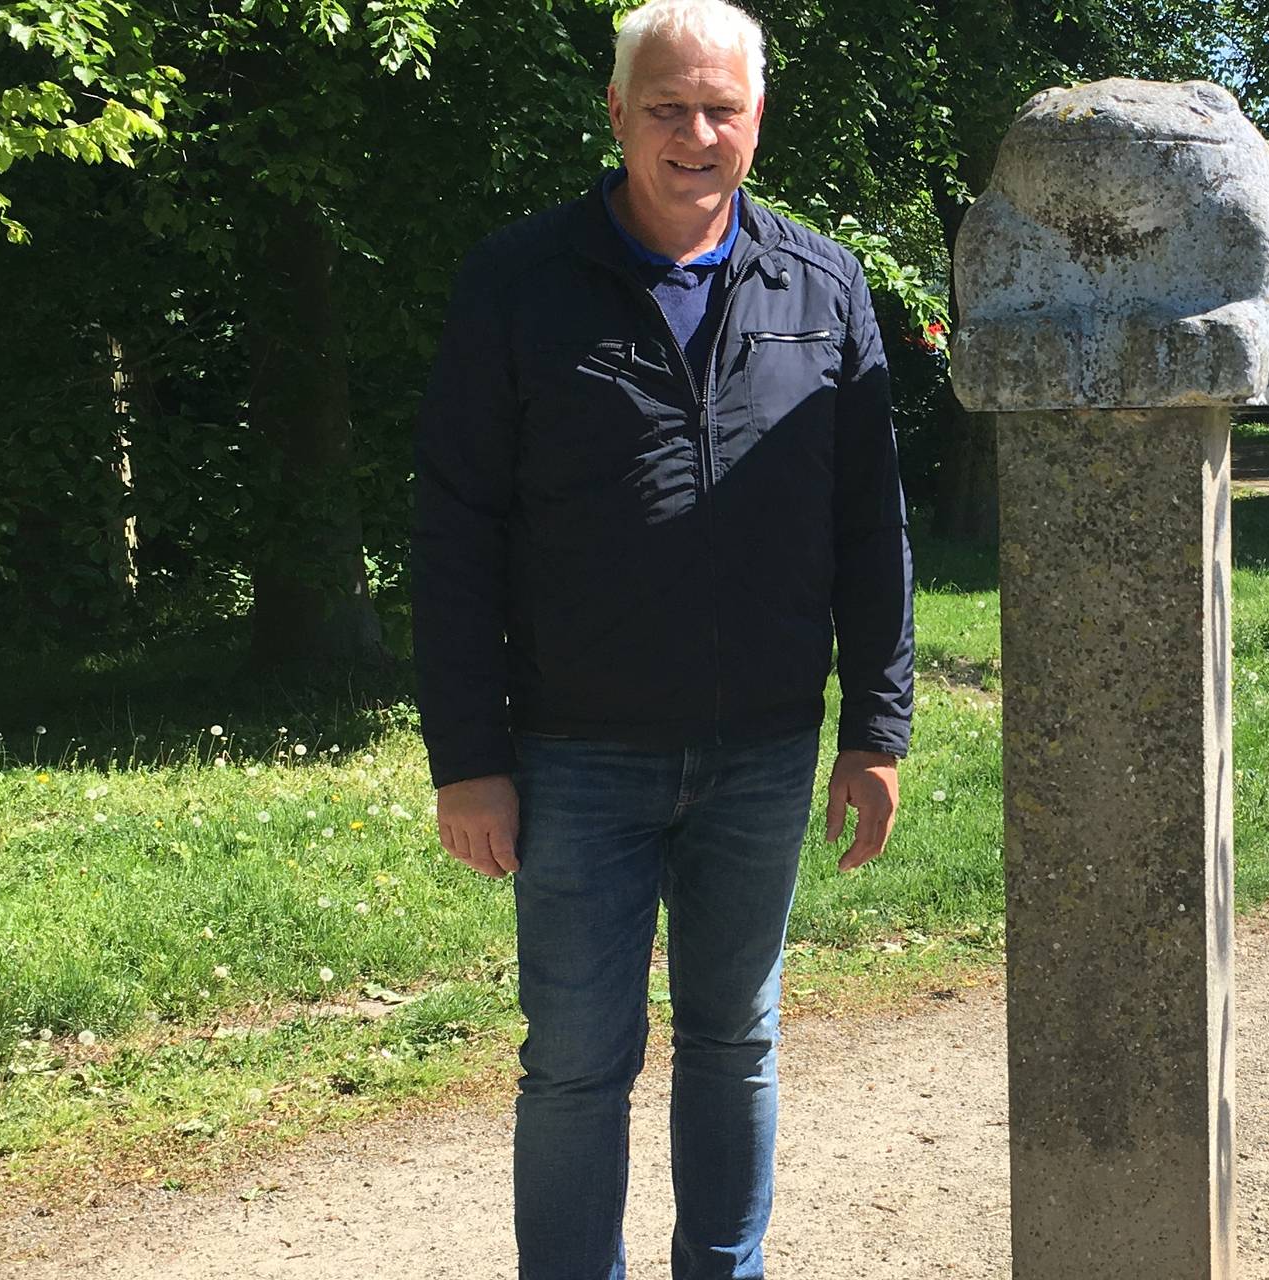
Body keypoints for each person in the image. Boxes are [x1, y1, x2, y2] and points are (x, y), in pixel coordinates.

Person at [407, 0, 913, 1274]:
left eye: (720, 108)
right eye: (667, 108)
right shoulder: (517, 281)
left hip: (762, 748)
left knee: (735, 1039)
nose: (696, 134)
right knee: (576, 1060)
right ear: (620, 115)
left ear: (757, 116)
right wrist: (467, 754)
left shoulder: (822, 282)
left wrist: (876, 727)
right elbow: (455, 530)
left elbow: (870, 523)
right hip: (577, 750)